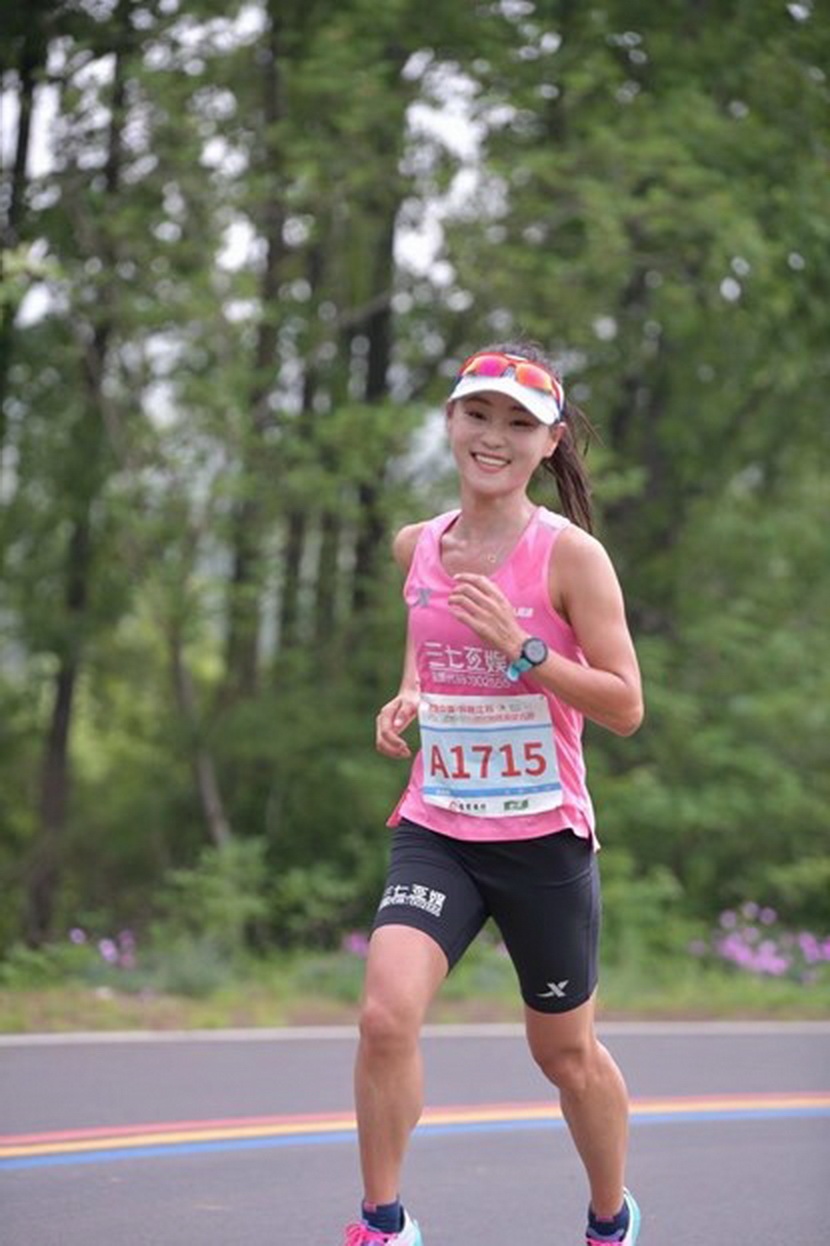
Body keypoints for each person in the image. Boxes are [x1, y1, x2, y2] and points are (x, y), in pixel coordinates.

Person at [342, 343, 644, 1246]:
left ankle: (610, 1217)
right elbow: (428, 630)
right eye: (479, 415)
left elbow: (627, 705)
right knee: (384, 1014)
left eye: (519, 424)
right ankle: (384, 1224)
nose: (494, 437)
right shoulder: (419, 544)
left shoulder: (571, 558)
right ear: (451, 421)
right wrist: (411, 692)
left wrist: (525, 649)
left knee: (564, 1055)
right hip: (439, 823)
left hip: (543, 835)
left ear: (549, 443)